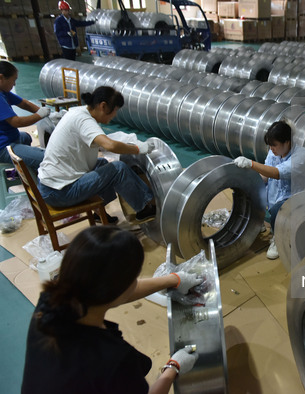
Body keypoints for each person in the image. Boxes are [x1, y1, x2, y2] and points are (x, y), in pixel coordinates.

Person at [21, 226, 202, 394]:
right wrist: (173, 369)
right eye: (134, 278)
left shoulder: (49, 304)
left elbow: (121, 291)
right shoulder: (112, 360)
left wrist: (173, 279)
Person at [37, 86, 157, 225]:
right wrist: (138, 148)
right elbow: (110, 145)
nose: (114, 116)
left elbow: (100, 143)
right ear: (103, 106)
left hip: (51, 186)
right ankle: (144, 208)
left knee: (102, 164)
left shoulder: (78, 112)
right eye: (115, 111)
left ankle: (99, 212)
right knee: (118, 169)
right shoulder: (84, 121)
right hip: (60, 192)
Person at [233, 120, 305, 260]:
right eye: (270, 145)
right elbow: (266, 175)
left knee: (279, 209)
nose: (271, 149)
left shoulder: (302, 156)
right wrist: (248, 185)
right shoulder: (275, 152)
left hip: (299, 198)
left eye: (274, 145)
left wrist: (251, 164)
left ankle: (278, 239)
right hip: (278, 194)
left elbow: (277, 173)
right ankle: (255, 223)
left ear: (287, 142)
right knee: (252, 189)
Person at [0, 61, 49, 171]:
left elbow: (24, 103)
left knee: (26, 137)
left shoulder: (3, 91)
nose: (14, 84)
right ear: (1, 78)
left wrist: (44, 111)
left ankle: (30, 171)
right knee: (47, 157)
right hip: (3, 147)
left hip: (9, 138)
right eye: (13, 80)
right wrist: (40, 115)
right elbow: (16, 122)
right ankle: (39, 180)